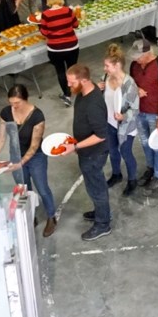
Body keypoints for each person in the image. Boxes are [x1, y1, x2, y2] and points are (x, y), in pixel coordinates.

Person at [0, 85, 58, 238]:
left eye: (17, 103)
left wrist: (20, 163)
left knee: (42, 188)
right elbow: (1, 137)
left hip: (36, 157)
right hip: (16, 154)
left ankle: (51, 216)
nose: (14, 106)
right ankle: (30, 214)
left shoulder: (37, 117)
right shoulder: (6, 113)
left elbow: (34, 146)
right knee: (23, 188)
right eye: (11, 103)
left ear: (25, 99)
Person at [62, 65, 111, 241]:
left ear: (84, 81)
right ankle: (100, 212)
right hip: (86, 150)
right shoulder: (86, 91)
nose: (69, 85)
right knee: (94, 185)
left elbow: (101, 135)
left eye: (71, 82)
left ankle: (103, 224)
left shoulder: (93, 104)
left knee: (96, 188)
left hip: (94, 153)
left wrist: (76, 147)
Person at [128, 39, 158, 191]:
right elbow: (130, 82)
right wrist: (137, 88)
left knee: (157, 145)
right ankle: (150, 168)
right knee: (145, 143)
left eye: (138, 57)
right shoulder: (134, 65)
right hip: (139, 112)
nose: (136, 60)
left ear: (147, 54)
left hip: (154, 113)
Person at [100, 44, 139, 196]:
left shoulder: (129, 84)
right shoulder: (105, 78)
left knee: (126, 153)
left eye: (107, 66)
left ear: (117, 65)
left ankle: (132, 180)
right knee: (112, 151)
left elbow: (135, 109)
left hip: (125, 126)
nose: (105, 69)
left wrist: (123, 116)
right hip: (109, 123)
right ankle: (117, 174)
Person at [39, 0, 79, 106]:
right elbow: (76, 25)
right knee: (72, 69)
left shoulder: (45, 15)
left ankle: (67, 95)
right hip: (72, 46)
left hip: (55, 49)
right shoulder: (68, 11)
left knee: (61, 71)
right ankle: (74, 91)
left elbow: (44, 32)